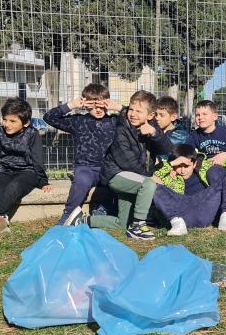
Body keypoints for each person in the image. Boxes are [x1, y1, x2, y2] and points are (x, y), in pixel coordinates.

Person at [65, 91, 171, 240]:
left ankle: (81, 220)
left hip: (132, 178)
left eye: (138, 111)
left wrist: (154, 133)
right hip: (116, 175)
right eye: (131, 110)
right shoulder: (121, 128)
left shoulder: (151, 125)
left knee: (122, 223)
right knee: (148, 185)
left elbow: (167, 149)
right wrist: (150, 177)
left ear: (150, 115)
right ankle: (138, 226)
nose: (133, 114)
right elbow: (127, 162)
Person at [0, 98, 53, 237]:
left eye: (12, 121)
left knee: (15, 186)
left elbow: (37, 159)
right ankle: (2, 222)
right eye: (5, 120)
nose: (7, 124)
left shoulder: (32, 134)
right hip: (5, 170)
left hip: (28, 172)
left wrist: (43, 182)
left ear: (26, 123)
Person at [42, 83, 118, 224]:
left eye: (101, 105)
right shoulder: (78, 120)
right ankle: (69, 213)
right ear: (86, 104)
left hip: (108, 167)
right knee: (81, 182)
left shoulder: (114, 121)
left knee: (112, 183)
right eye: (93, 105)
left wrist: (118, 107)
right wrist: (71, 105)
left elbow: (134, 121)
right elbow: (48, 117)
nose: (98, 109)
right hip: (85, 167)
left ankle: (101, 209)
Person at [152, 144, 226, 236]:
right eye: (179, 166)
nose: (182, 171)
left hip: (204, 206)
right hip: (180, 212)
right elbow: (150, 179)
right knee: (154, 186)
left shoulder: (203, 167)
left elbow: (225, 162)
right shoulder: (168, 173)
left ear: (194, 164)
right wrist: (171, 165)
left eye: (186, 166)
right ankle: (177, 224)